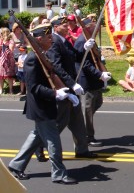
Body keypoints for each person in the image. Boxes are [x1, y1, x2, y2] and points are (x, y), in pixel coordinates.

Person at [8, 24, 77, 185]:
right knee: (53, 141)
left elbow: (53, 75)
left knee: (36, 137)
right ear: (39, 39)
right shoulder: (32, 59)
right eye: (48, 36)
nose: (52, 38)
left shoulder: (43, 56)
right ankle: (59, 173)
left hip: (45, 104)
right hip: (40, 106)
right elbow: (33, 87)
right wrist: (55, 94)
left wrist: (66, 90)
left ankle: (16, 165)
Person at [46, 16, 96, 157]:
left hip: (71, 87)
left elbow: (75, 57)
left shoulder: (64, 41)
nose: (67, 27)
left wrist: (84, 49)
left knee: (78, 121)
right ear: (55, 27)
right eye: (63, 25)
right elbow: (56, 67)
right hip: (64, 87)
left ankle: (82, 150)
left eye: (67, 24)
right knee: (59, 123)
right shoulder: (53, 42)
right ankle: (39, 147)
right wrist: (72, 84)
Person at [74, 18, 112, 147]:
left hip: (95, 82)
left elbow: (96, 57)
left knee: (97, 103)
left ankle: (84, 128)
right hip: (87, 81)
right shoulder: (81, 42)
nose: (97, 32)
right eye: (95, 29)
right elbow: (85, 64)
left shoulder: (90, 41)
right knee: (87, 111)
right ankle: (87, 137)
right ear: (89, 29)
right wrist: (99, 74)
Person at [0, 27, 15, 94]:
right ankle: (1, 89)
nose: (1, 34)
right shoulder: (0, 40)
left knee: (10, 76)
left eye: (7, 32)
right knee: (1, 76)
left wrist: (5, 44)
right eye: (2, 33)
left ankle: (11, 89)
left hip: (9, 60)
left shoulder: (11, 41)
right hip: (1, 59)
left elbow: (11, 49)